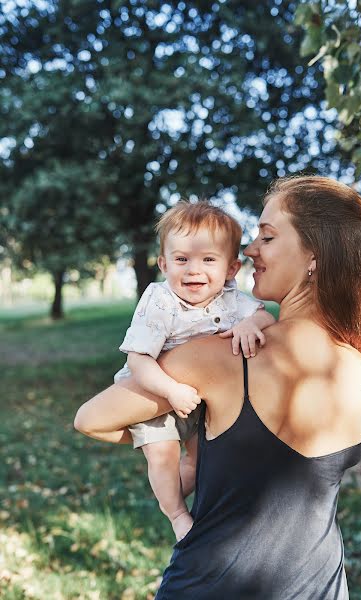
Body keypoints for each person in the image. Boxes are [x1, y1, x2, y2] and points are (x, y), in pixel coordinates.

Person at [75, 176, 361, 599]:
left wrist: (170, 436)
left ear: (314, 253)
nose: (248, 250)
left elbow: (91, 419)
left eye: (267, 236)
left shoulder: (218, 357)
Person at [102, 201, 275, 541]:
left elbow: (267, 317)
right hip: (154, 392)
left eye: (208, 259)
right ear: (164, 264)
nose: (193, 270)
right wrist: (170, 391)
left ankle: (176, 497)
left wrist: (251, 323)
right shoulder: (160, 300)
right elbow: (138, 360)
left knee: (200, 462)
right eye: (181, 259)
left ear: (231, 268)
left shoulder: (232, 299)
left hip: (200, 398)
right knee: (164, 454)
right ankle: (177, 515)